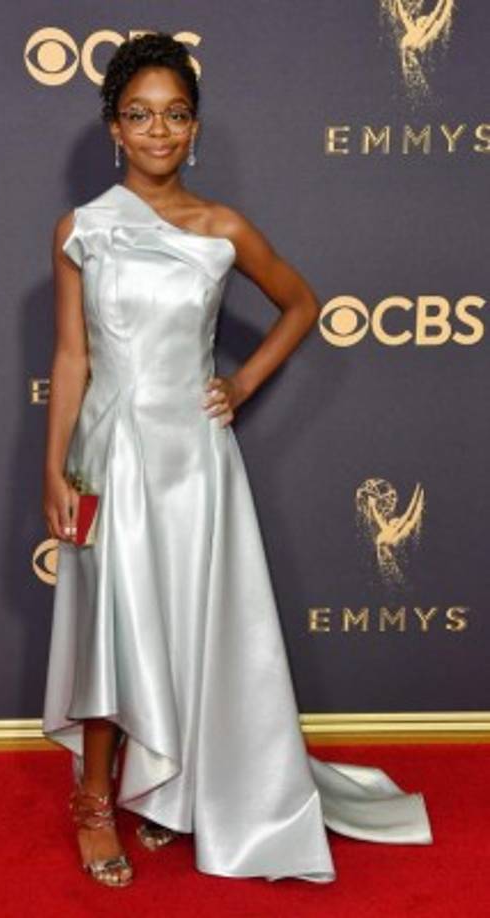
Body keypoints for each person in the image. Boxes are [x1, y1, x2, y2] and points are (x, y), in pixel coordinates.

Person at [42, 32, 433, 889]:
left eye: (174, 115)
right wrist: (54, 469)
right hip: (109, 456)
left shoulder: (222, 230)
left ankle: (169, 791)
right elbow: (72, 357)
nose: (157, 131)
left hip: (194, 465)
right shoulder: (83, 230)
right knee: (115, 627)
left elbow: (300, 301)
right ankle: (95, 803)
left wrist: (243, 382)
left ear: (195, 127)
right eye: (138, 115)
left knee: (188, 624)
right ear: (113, 125)